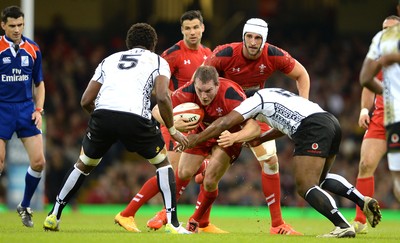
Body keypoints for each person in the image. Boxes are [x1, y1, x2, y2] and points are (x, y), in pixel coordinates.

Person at [42, 22, 190, 234]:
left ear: (128, 44)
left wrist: (102, 120)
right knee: (163, 164)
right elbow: (163, 96)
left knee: (83, 164)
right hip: (135, 117)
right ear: (153, 44)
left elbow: (85, 100)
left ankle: (54, 215)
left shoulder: (109, 60)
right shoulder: (158, 61)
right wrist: (173, 129)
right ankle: (174, 224)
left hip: (102, 116)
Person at [187, 87, 382, 238]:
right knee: (320, 179)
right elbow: (283, 126)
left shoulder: (253, 100)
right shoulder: (277, 95)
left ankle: (342, 225)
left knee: (305, 186)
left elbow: (224, 122)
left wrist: (196, 139)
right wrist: (261, 139)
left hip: (311, 128)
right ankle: (361, 200)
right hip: (330, 122)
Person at [115, 10, 224, 233]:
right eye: (187, 28)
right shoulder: (172, 54)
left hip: (200, 122)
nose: (192, 32)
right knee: (170, 172)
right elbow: (158, 87)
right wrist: (177, 107)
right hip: (175, 120)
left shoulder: (208, 53)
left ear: (202, 28)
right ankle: (127, 213)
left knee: (204, 169)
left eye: (196, 27)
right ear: (181, 30)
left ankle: (201, 221)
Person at [202, 17, 309, 235]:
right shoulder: (224, 54)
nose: (252, 42)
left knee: (270, 160)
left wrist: (303, 105)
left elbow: (302, 74)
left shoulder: (273, 54)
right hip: (223, 111)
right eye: (248, 37)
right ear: (243, 37)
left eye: (257, 38)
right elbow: (200, 80)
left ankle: (277, 224)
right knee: (203, 170)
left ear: (264, 40)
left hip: (253, 111)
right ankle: (195, 221)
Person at [153, 65, 258, 233]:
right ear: (194, 85)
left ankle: (195, 220)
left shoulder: (232, 95)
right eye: (200, 90)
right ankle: (202, 167)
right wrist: (171, 123)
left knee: (209, 181)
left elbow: (254, 127)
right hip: (201, 133)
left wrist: (235, 138)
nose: (203, 96)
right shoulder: (188, 90)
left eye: (208, 91)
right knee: (184, 172)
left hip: (227, 137)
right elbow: (156, 109)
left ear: (217, 85)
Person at [353, 15, 400, 234]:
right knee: (365, 164)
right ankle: (360, 221)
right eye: (383, 29)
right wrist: (364, 109)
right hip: (382, 117)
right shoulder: (376, 56)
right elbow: (368, 85)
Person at [0, 6, 46, 228]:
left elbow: (40, 83)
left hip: (26, 109)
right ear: (3, 25)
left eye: (20, 25)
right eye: (12, 26)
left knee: (39, 162)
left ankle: (25, 205)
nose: (17, 29)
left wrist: (38, 110)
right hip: (2, 109)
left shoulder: (33, 48)